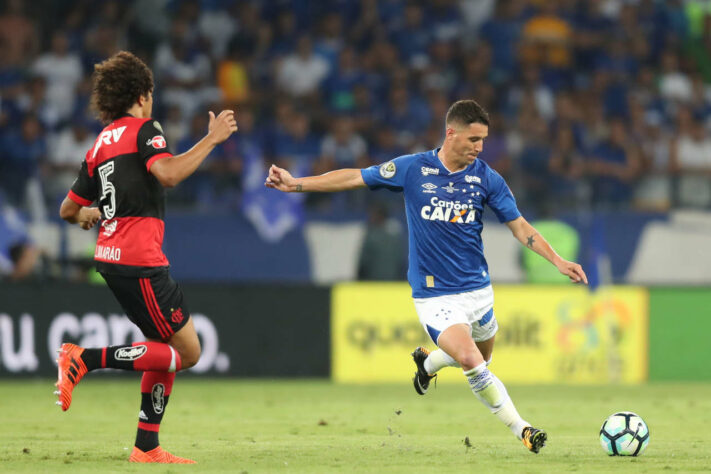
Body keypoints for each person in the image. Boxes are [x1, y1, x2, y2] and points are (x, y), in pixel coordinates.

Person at [266, 99, 587, 454]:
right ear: (451, 134)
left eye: (483, 141)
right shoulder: (414, 168)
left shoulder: (486, 177)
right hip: (435, 295)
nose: (480, 148)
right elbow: (354, 176)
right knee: (471, 361)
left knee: (482, 358)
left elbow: (520, 226)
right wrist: (297, 185)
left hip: (478, 291)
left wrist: (557, 260)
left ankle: (428, 362)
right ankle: (523, 429)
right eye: (474, 140)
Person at [56, 51, 237, 464]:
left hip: (110, 256)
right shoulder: (144, 129)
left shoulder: (99, 144)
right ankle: (83, 358)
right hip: (140, 260)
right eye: (150, 94)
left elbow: (68, 210)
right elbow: (169, 174)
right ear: (142, 95)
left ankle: (146, 446)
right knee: (188, 352)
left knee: (161, 344)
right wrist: (212, 139)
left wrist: (88, 214)